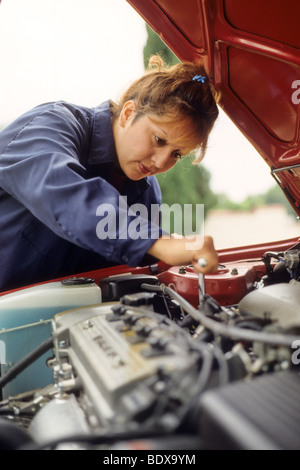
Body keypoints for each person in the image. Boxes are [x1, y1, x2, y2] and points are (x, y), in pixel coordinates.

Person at [0, 56, 219, 292]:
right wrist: (157, 241)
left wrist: (174, 247)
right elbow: (62, 192)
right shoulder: (51, 126)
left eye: (177, 154)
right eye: (159, 139)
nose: (160, 162)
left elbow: (125, 266)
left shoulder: (146, 191)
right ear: (128, 113)